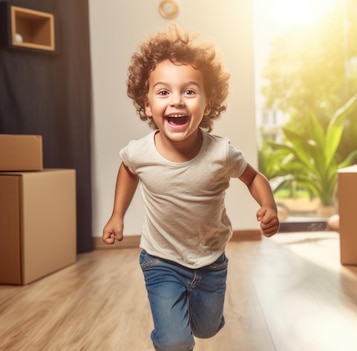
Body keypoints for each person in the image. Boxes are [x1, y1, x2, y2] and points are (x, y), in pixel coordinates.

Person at [102, 25, 280, 350]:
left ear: (208, 103)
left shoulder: (221, 153)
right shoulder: (140, 152)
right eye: (164, 92)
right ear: (146, 104)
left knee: (208, 329)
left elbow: (254, 178)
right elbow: (128, 169)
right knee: (175, 342)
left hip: (210, 261)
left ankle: (194, 319)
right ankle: (169, 333)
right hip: (160, 259)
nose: (177, 101)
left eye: (189, 91)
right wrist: (117, 215)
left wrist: (269, 206)